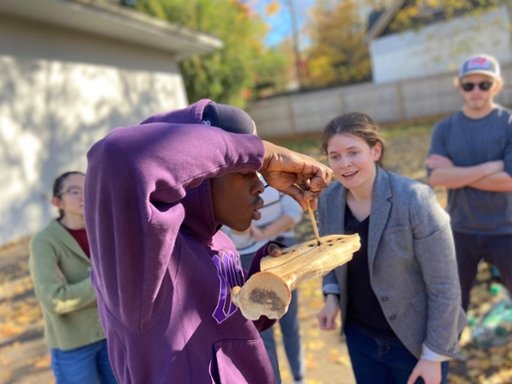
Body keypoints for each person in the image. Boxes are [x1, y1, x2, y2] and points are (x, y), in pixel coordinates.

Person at [83, 99, 332, 384]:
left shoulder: (220, 242)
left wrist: (267, 279)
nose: (260, 184)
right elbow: (118, 156)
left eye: (257, 170)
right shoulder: (141, 258)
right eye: (243, 171)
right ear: (199, 177)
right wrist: (265, 154)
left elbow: (229, 328)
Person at [317, 113, 466, 384]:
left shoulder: (414, 199)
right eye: (335, 156)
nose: (344, 164)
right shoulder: (328, 200)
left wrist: (433, 356)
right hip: (360, 339)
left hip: (415, 342)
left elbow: (445, 285)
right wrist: (331, 296)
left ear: (375, 150)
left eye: (353, 152)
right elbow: (330, 257)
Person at [427, 54, 512, 312]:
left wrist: (456, 172)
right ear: (460, 87)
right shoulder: (444, 128)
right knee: (453, 301)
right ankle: (451, 350)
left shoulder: (508, 123)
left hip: (505, 228)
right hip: (460, 228)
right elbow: (436, 177)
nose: (476, 91)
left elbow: (509, 181)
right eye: (469, 85)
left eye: (484, 85)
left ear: (496, 86)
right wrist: (492, 166)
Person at [29, 171, 117, 384]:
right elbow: (54, 299)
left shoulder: (105, 229)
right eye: (74, 191)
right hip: (73, 345)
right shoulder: (45, 242)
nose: (83, 196)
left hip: (112, 335)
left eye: (87, 188)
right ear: (57, 201)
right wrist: (105, 281)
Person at [224, 175, 305, 384]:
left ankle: (299, 378)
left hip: (282, 254)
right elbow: (233, 234)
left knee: (290, 322)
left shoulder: (273, 175)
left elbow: (294, 210)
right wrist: (244, 228)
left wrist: (266, 233)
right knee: (262, 332)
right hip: (247, 260)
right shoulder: (224, 181)